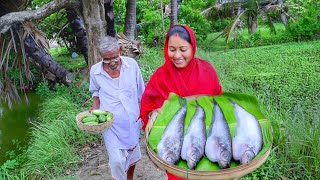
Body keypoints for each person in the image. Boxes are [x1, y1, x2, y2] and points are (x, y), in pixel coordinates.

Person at [139, 25, 223, 180]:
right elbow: (148, 103)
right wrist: (154, 113)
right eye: (172, 49)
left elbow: (219, 101)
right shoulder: (160, 76)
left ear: (192, 47)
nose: (177, 55)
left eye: (183, 49)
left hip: (206, 140)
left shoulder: (206, 70)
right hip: (174, 145)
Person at [89, 36, 145, 180]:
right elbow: (96, 92)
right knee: (117, 161)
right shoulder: (95, 71)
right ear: (101, 56)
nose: (112, 62)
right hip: (111, 123)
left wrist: (145, 114)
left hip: (132, 120)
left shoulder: (132, 66)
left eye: (115, 57)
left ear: (120, 50)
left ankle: (130, 178)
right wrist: (94, 108)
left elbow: (141, 92)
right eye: (107, 59)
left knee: (132, 153)